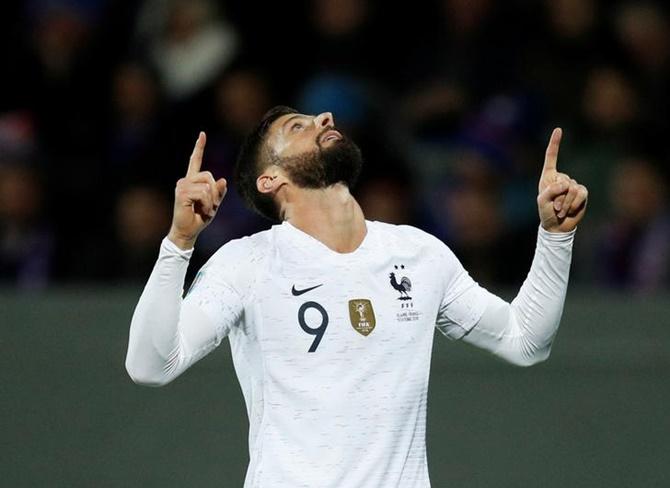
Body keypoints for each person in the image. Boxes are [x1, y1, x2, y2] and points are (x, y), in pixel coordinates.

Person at [125, 106, 588, 487]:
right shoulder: (247, 263)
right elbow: (150, 365)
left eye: (318, 119)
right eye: (298, 126)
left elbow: (525, 340)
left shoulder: (419, 254)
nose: (324, 118)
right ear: (270, 180)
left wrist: (555, 237)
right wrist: (179, 243)